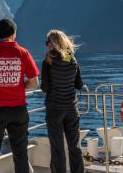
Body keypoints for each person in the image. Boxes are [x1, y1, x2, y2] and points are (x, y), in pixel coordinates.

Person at [0, 18, 39, 173]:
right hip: (18, 110)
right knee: (21, 154)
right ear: (14, 33)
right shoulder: (23, 53)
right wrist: (18, 86)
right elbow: (34, 83)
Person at [41, 29, 84, 173]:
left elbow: (45, 88)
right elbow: (79, 85)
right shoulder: (73, 59)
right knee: (75, 146)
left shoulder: (48, 61)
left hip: (54, 108)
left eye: (48, 43)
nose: (47, 46)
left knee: (57, 148)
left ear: (53, 44)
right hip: (71, 108)